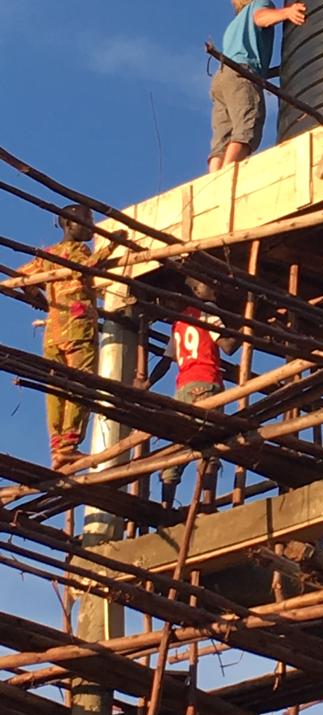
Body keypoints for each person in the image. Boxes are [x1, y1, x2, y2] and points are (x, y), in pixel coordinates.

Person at [12, 205, 124, 469]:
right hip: (78, 329)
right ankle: (69, 444)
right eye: (86, 222)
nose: (90, 227)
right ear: (68, 223)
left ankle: (57, 448)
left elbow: (20, 278)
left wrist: (41, 302)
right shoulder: (78, 251)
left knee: (56, 389)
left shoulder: (47, 256)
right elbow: (86, 266)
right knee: (80, 384)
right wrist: (113, 245)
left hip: (53, 332)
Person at [135, 276, 240, 507]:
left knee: (178, 445)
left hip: (182, 388)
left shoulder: (179, 323)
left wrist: (147, 383)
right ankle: (206, 504)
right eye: (209, 285)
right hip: (207, 383)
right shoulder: (208, 312)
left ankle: (166, 507)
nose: (215, 289)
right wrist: (246, 327)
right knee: (210, 444)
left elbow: (166, 361)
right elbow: (228, 347)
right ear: (196, 291)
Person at [209, 0, 307, 173]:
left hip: (222, 79)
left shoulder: (234, 25)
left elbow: (245, 58)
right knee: (247, 128)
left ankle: (212, 178)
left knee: (223, 135)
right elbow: (261, 17)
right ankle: (226, 178)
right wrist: (287, 12)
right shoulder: (258, 5)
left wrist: (280, 70)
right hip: (241, 74)